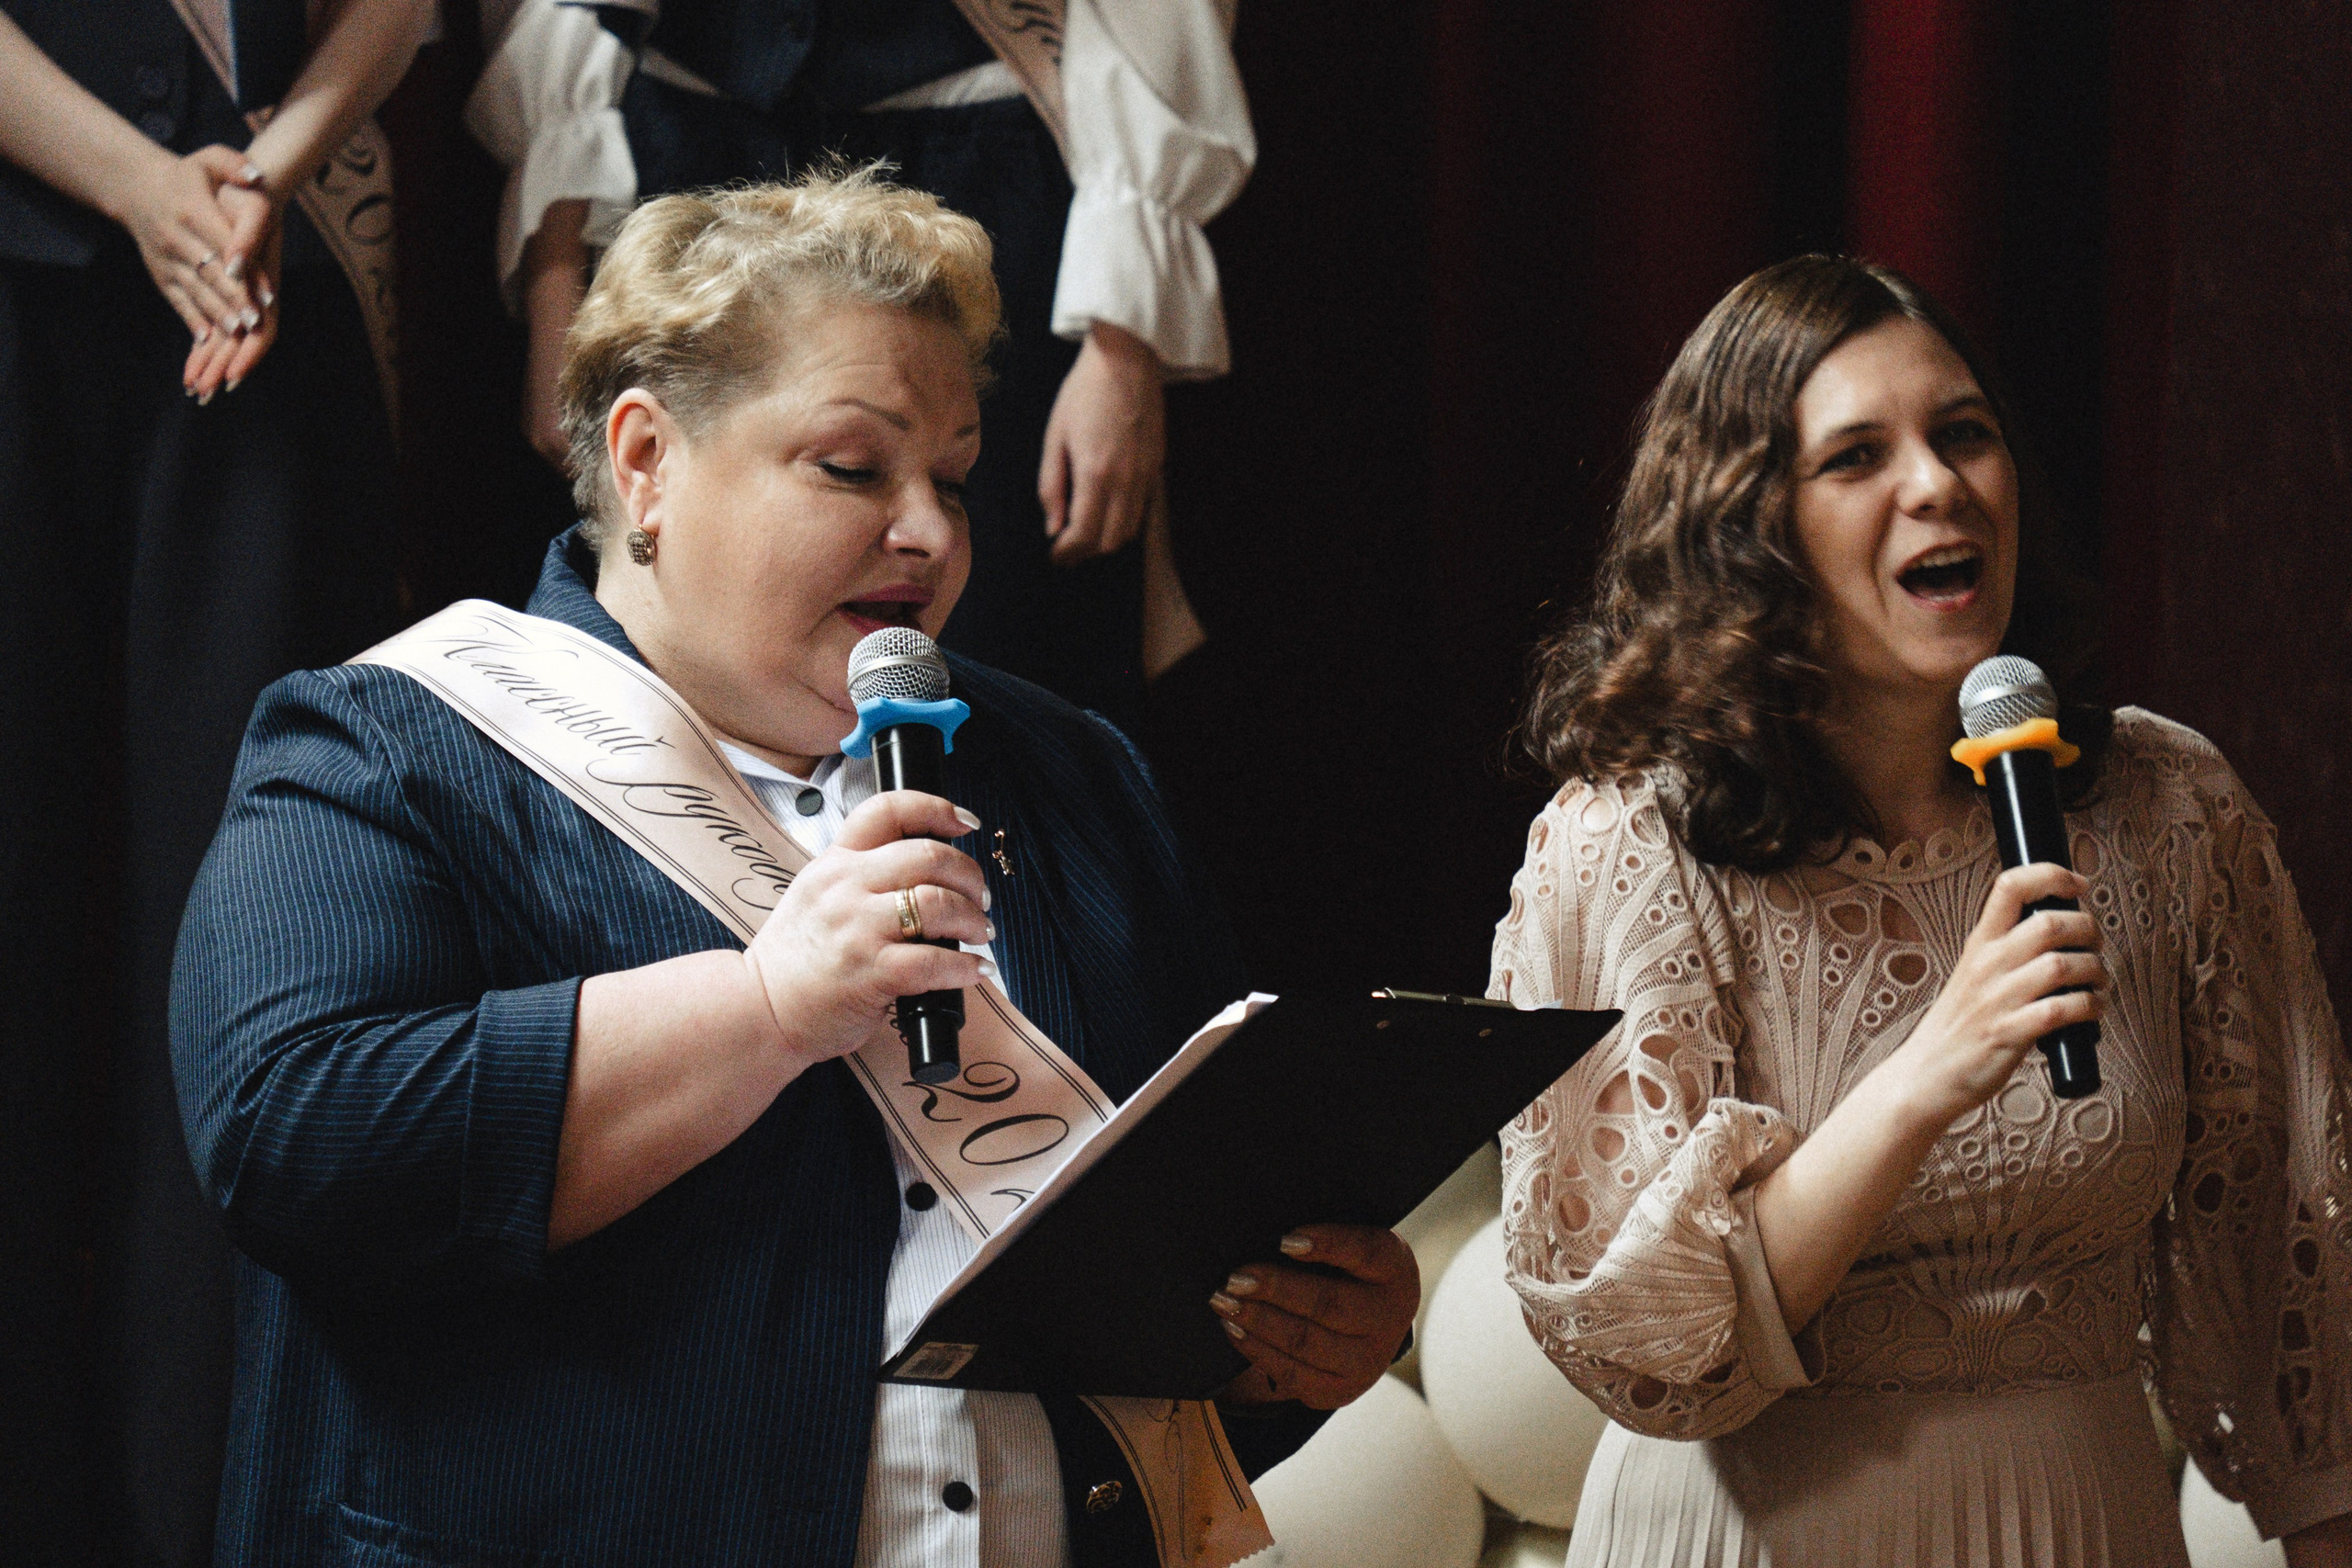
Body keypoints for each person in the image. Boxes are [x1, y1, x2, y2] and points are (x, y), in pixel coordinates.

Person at [170, 168, 1414, 1568]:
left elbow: (1192, 1223)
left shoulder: (1068, 770)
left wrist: (1295, 1339)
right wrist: (766, 1008)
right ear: (646, 459)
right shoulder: (387, 745)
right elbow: (298, 1138)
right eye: (852, 466)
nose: (932, 532)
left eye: (952, 474)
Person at [1489, 255, 2352, 1566]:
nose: (1938, 484)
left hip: (2080, 1523)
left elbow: (2306, 1278)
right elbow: (1652, 1340)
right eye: (1855, 456)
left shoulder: (2168, 808)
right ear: (1749, 525)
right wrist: (1929, 1069)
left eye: (1964, 435)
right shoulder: (1632, 845)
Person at [0, 2, 428, 1559]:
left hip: (263, 284)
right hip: (35, 266)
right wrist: (135, 182)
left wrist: (262, 171)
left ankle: (218, 1508)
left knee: (249, 945)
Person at [463, 0, 1250, 728]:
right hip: (681, 161)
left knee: (998, 632)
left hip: (979, 168)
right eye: (848, 465)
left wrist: (1122, 342)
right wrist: (555, 273)